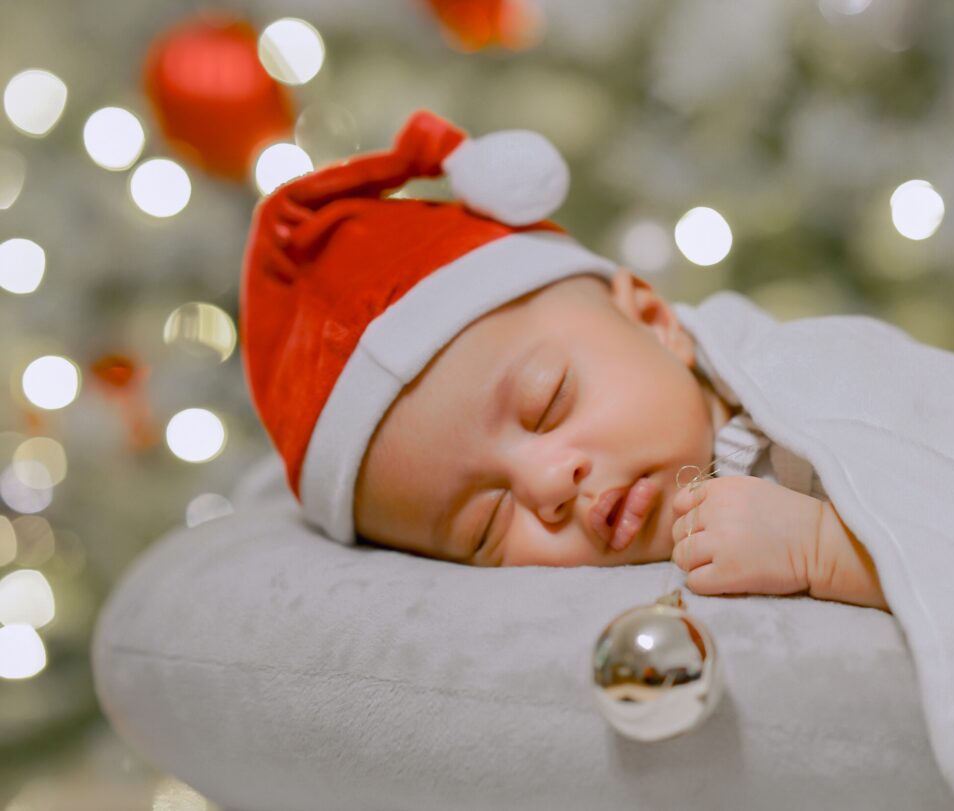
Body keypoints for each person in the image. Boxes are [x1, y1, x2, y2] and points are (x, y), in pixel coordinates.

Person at [240, 108, 888, 613]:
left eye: (548, 402)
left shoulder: (826, 389)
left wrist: (823, 551)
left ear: (654, 320)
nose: (549, 487)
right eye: (486, 527)